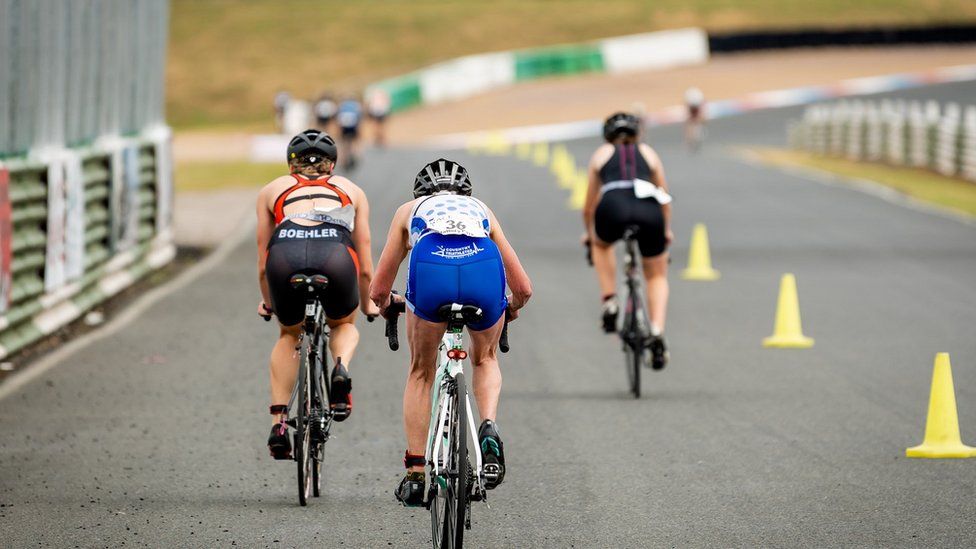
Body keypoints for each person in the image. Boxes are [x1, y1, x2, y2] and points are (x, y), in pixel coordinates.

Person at [369, 159, 532, 506]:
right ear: (465, 193)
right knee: (485, 358)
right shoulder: (481, 209)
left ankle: (415, 474)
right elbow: (523, 287)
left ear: (421, 192)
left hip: (432, 266)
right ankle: (488, 425)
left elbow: (378, 288)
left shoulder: (408, 211)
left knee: (421, 372)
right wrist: (510, 306)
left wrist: (387, 305)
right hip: (481, 266)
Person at [256, 129, 379, 459]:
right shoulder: (351, 190)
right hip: (335, 258)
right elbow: (365, 261)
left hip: (285, 260)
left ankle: (279, 423)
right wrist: (368, 303)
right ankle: (340, 369)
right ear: (333, 165)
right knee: (343, 324)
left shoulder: (272, 190)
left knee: (288, 333)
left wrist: (269, 302)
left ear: (290, 165)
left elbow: (262, 260)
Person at [583, 112, 672, 369]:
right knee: (656, 274)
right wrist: (666, 229)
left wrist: (589, 235)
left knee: (601, 244)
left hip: (612, 206)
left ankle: (610, 300)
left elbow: (588, 207)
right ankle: (656, 330)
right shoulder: (649, 153)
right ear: (637, 134)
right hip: (649, 207)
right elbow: (664, 195)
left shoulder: (601, 154)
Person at [336, 96, 364, 170]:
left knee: (343, 143)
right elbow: (359, 117)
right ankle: (356, 154)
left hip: (344, 126)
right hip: (353, 126)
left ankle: (343, 159)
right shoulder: (356, 105)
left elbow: (338, 117)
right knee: (355, 141)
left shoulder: (342, 105)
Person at [684, 87, 705, 152]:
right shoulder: (692, 97)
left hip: (695, 103)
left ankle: (692, 139)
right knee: (690, 123)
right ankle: (690, 140)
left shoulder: (697, 97)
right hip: (693, 103)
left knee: (692, 123)